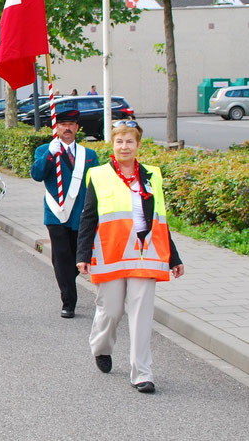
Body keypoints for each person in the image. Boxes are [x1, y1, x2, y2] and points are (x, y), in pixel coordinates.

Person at [76, 120, 185, 394]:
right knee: (110, 310)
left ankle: (142, 373)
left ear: (138, 145)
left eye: (130, 141)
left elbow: (160, 219)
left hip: (146, 255)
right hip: (110, 254)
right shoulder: (99, 175)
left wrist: (173, 257)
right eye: (120, 141)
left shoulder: (152, 176)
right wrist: (83, 253)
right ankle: (101, 347)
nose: (125, 146)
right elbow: (88, 217)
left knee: (141, 314)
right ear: (112, 145)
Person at [30, 109, 99, 318]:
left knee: (77, 258)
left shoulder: (89, 155)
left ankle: (70, 280)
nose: (66, 128)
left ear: (77, 128)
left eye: (71, 124)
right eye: (62, 124)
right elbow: (37, 174)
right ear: (56, 127)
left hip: (80, 214)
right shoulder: (45, 150)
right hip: (56, 214)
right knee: (61, 259)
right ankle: (68, 302)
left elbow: (95, 183)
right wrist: (50, 155)